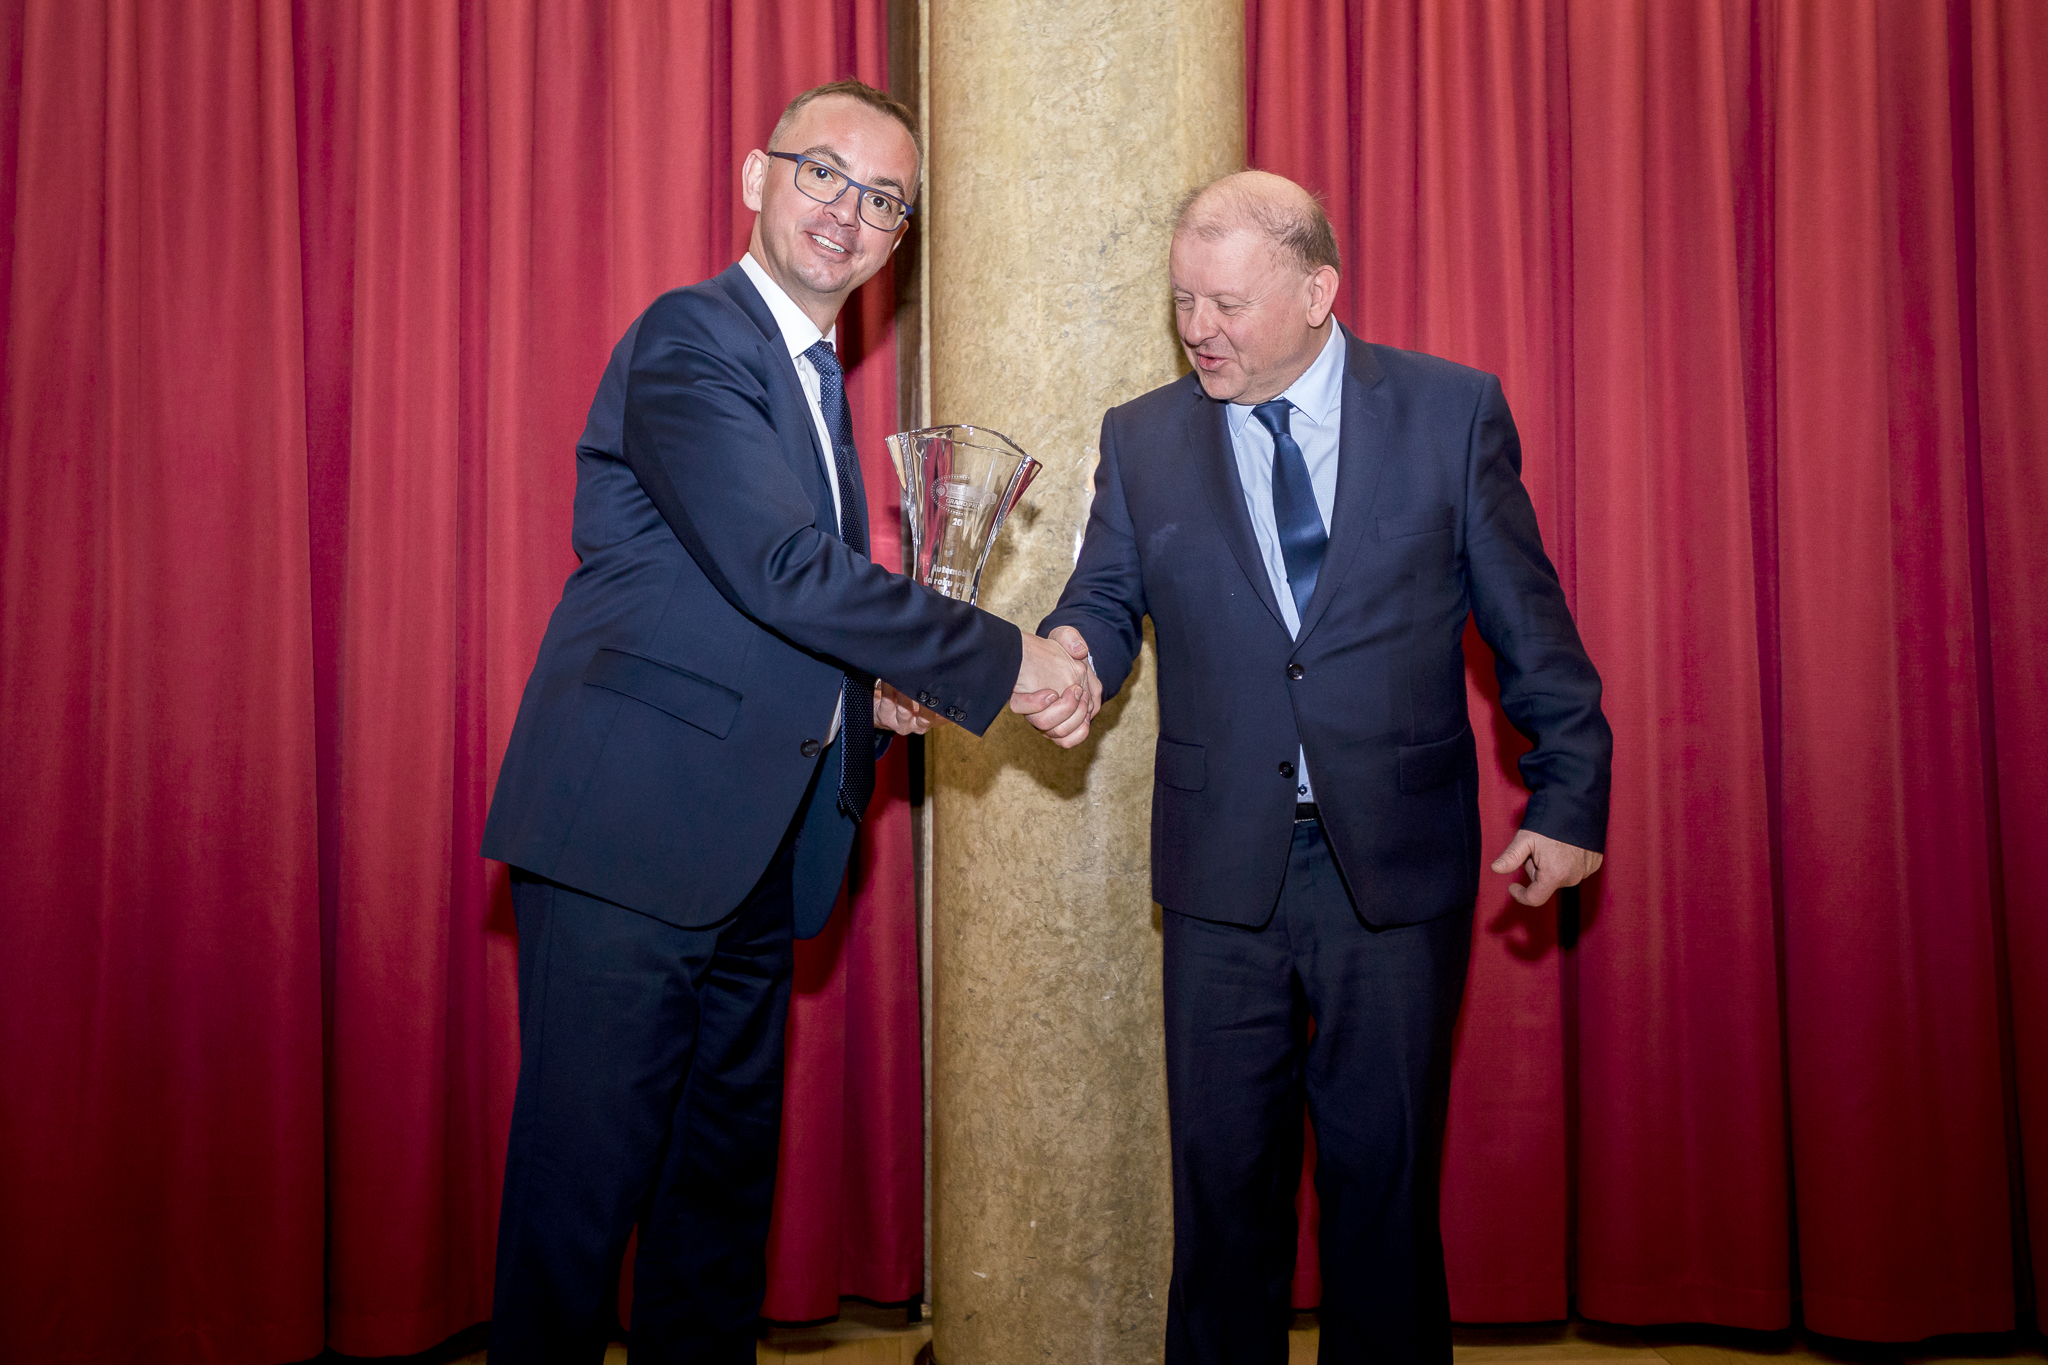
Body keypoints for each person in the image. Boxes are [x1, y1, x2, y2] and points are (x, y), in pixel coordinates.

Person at [479, 80, 1094, 1363]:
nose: (846, 211)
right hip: (628, 842)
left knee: (713, 1209)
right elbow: (777, 568)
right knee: (579, 1206)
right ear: (756, 179)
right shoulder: (692, 339)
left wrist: (862, 696)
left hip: (758, 849)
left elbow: (735, 607)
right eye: (823, 174)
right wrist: (1009, 660)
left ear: (896, 239)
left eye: (882, 200)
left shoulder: (814, 385)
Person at [1028, 171, 1612, 1363]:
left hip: (1391, 870)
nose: (1198, 329)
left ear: (1316, 292)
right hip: (1220, 874)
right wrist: (1075, 653)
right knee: (1221, 1205)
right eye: (1182, 300)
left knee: (1381, 1197)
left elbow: (1527, 625)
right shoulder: (1142, 436)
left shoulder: (1449, 413)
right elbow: (1105, 594)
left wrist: (1567, 794)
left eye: (1227, 303)